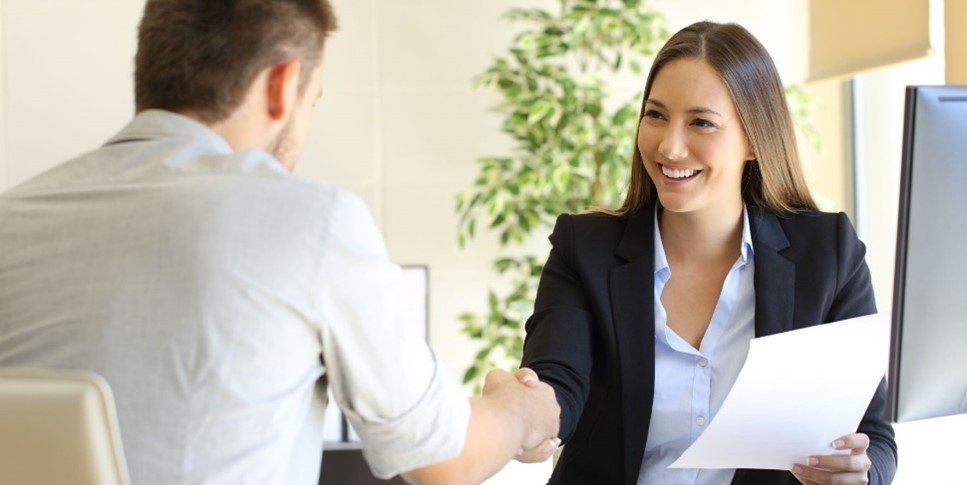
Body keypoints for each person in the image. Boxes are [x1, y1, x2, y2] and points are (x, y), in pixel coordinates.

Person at [0, 1, 559, 484]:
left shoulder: (12, 216)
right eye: (312, 100)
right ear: (282, 85)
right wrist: (521, 411)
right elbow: (443, 457)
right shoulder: (310, 221)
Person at [521, 21, 897, 485]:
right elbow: (557, 382)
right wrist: (523, 410)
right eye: (656, 115)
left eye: (701, 122)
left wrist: (860, 475)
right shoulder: (586, 249)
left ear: (755, 140)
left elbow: (872, 435)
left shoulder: (829, 254)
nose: (669, 146)